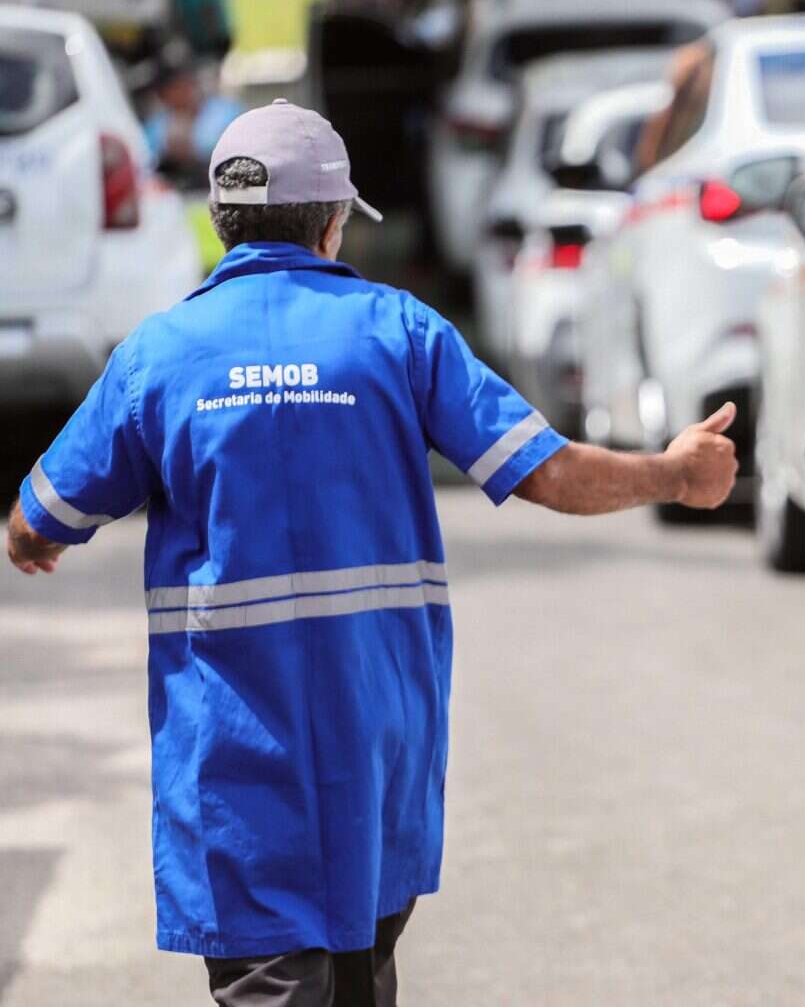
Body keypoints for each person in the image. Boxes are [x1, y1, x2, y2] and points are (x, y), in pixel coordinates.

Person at [5, 99, 737, 1007]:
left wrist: (28, 539)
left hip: (236, 778)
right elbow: (548, 474)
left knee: (273, 985)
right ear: (331, 220)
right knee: (361, 976)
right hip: (377, 759)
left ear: (221, 219)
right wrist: (672, 474)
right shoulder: (400, 333)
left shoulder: (158, 356)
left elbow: (43, 517)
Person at [143, 40, 243, 185]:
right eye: (174, 87)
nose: (184, 90)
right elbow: (145, 166)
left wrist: (195, 153)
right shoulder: (156, 127)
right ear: (162, 95)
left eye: (187, 82)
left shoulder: (226, 112)